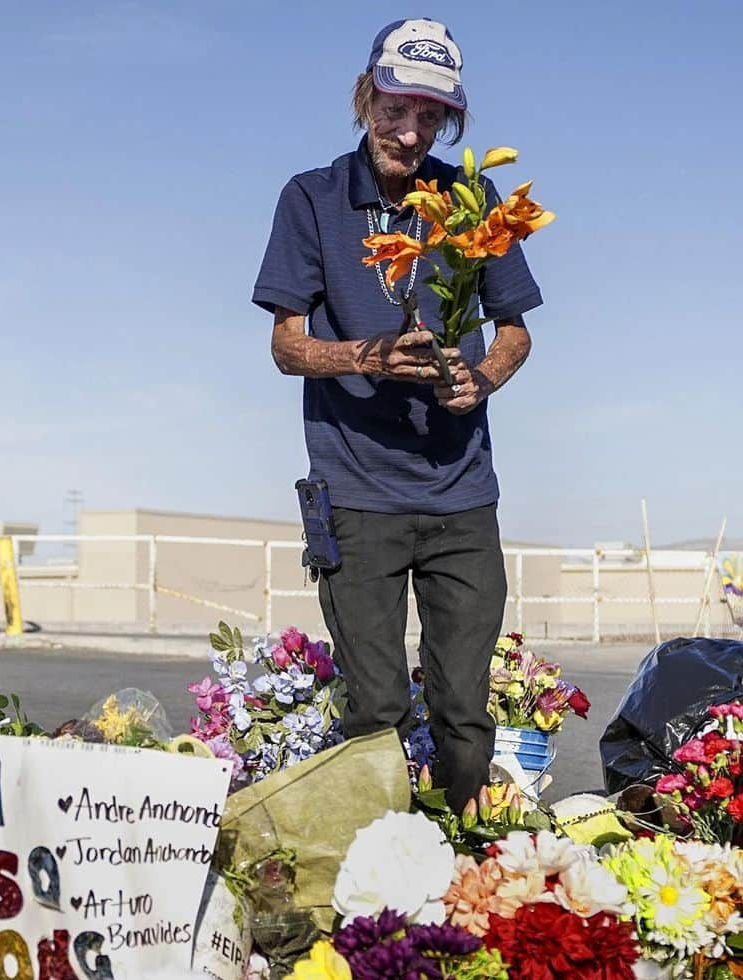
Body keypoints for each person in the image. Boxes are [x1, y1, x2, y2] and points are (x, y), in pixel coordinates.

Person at [251, 18, 543, 811]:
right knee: (376, 711)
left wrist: (480, 378)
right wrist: (365, 356)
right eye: (394, 108)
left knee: (463, 714)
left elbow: (516, 329)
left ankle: (455, 869)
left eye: (430, 115)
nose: (409, 132)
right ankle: (376, 884)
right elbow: (286, 345)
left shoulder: (472, 200)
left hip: (461, 497)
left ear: (448, 120)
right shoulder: (311, 198)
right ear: (365, 95)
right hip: (356, 497)